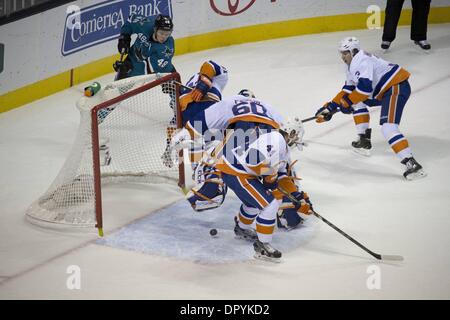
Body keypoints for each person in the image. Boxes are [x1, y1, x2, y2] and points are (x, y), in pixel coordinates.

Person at [171, 94, 313, 260]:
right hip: (234, 169)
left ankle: (242, 228)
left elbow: (282, 176)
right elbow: (254, 159)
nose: (296, 140)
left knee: (252, 203)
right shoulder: (276, 138)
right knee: (270, 205)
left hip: (236, 168)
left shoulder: (282, 147)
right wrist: (270, 178)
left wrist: (295, 196)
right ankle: (262, 245)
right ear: (292, 131)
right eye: (296, 136)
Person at [315, 37, 426, 180]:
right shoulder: (351, 63)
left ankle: (412, 164)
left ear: (353, 51)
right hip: (384, 91)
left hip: (396, 87)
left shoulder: (362, 60)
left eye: (345, 53)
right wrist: (330, 107)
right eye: (341, 53)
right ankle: (364, 140)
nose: (342, 57)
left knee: (388, 128)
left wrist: (346, 103)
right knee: (356, 102)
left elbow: (364, 89)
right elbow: (349, 88)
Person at [115, 14, 175, 80]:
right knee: (117, 88)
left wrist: (127, 67)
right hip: (132, 59)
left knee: (173, 86)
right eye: (161, 33)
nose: (164, 37)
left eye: (167, 34)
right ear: (155, 29)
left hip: (163, 70)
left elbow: (153, 70)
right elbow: (131, 19)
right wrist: (124, 37)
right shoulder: (144, 25)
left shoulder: (167, 47)